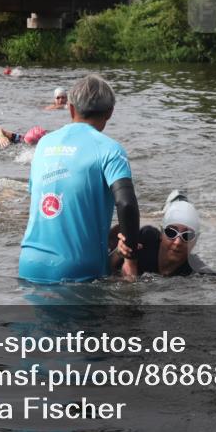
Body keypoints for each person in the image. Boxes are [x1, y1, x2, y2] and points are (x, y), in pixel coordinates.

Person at [19, 74, 139, 284]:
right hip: (78, 270)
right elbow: (126, 203)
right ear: (110, 112)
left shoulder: (43, 144)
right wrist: (130, 257)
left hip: (29, 263)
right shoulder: (111, 150)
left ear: (71, 109)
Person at [110, 191, 214, 278]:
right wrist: (119, 253)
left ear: (196, 240)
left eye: (187, 235)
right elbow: (107, 266)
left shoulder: (196, 271)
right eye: (171, 232)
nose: (178, 242)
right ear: (161, 233)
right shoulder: (144, 240)